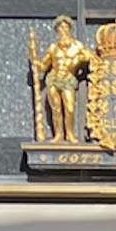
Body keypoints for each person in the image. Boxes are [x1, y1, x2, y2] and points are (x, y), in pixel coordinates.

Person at [30, 15, 93, 143]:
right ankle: (58, 134)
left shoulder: (77, 46)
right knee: (56, 108)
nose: (63, 30)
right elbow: (43, 66)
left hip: (68, 79)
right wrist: (35, 61)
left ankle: (69, 134)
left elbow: (89, 56)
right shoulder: (53, 48)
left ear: (70, 29)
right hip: (54, 79)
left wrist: (77, 60)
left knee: (69, 108)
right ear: (57, 30)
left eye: (65, 27)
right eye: (60, 27)